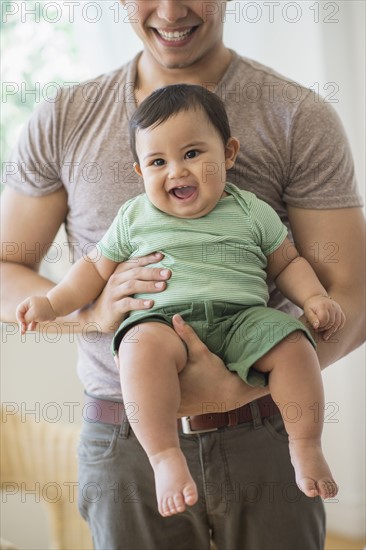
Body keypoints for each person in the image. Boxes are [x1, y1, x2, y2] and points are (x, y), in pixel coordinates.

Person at [1, 1, 364, 548]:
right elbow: (11, 267)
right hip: (128, 439)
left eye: (195, 154)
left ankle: (306, 445)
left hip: (266, 426)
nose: (171, 9)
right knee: (144, 346)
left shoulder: (296, 115)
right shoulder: (65, 116)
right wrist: (90, 314)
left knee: (287, 340)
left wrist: (241, 387)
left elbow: (349, 294)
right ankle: (164, 455)